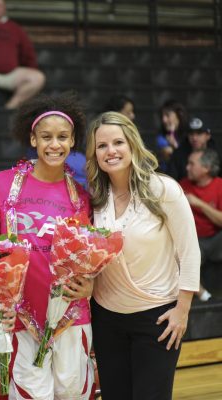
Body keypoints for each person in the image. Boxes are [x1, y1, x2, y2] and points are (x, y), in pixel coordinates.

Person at [86, 111, 200, 400]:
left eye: (118, 142)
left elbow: (189, 252)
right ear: (94, 153)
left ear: (133, 144)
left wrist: (182, 311)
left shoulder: (163, 189)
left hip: (158, 318)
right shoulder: (94, 197)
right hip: (107, 319)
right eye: (102, 146)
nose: (111, 151)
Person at [0, 93, 93, 399]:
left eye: (62, 137)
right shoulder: (2, 184)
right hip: (22, 318)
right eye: (46, 137)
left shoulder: (83, 196)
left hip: (72, 318)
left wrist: (91, 286)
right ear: (32, 138)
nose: (54, 145)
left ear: (73, 140)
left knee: (73, 394)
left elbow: (93, 257)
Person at [180, 148, 222, 302]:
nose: (187, 167)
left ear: (206, 168)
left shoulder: (219, 185)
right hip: (194, 241)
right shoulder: (182, 185)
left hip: (216, 238)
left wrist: (199, 204)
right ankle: (204, 296)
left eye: (192, 164)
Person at [168, 116, 219, 182]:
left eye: (199, 133)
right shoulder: (178, 155)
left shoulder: (218, 155)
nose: (194, 138)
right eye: (191, 134)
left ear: (208, 136)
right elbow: (171, 180)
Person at [156, 99, 188, 173]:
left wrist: (175, 146)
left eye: (167, 115)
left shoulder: (190, 135)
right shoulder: (162, 137)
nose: (164, 120)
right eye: (162, 116)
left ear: (179, 115)